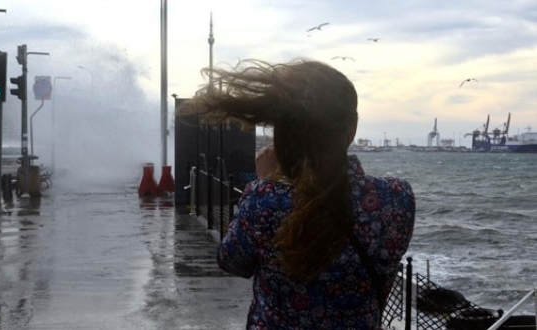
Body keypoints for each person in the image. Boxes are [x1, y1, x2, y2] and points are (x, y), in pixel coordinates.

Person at [177, 59, 415, 329]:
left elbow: (232, 262)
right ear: (352, 128)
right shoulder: (397, 198)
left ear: (283, 132)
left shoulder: (264, 200)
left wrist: (263, 183)